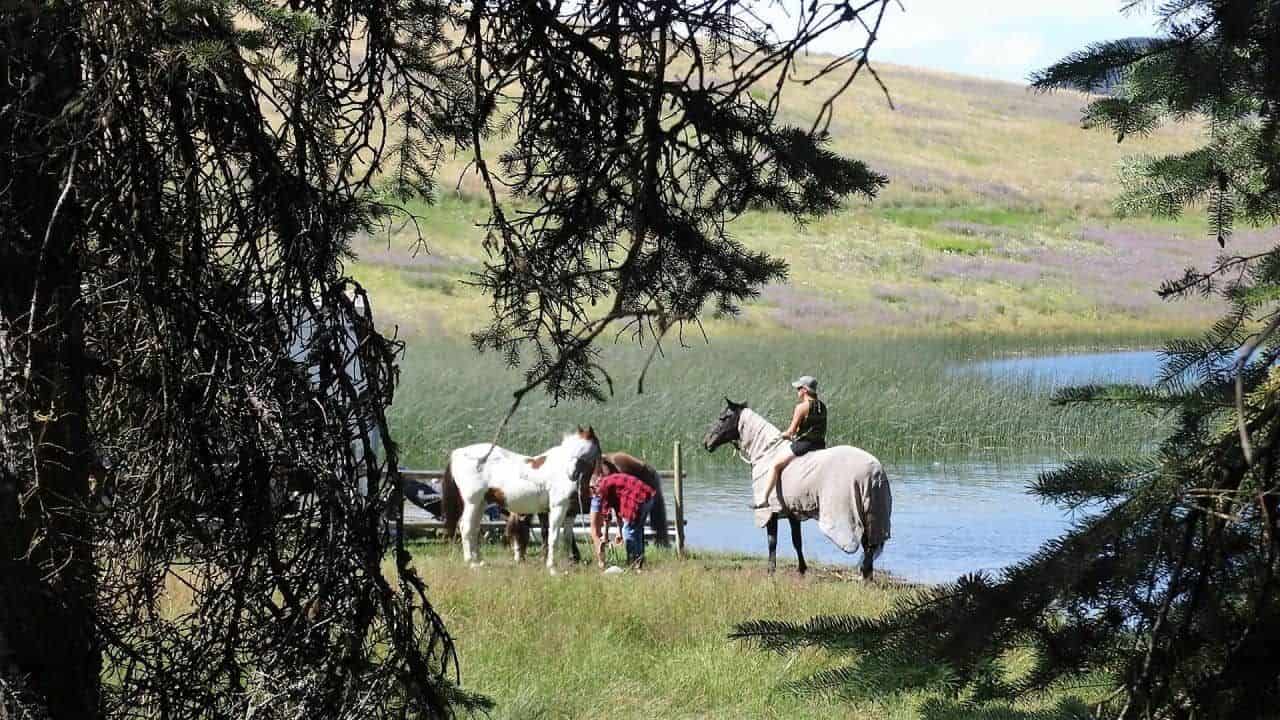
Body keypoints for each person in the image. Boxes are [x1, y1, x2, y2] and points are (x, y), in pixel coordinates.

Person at [753, 375, 827, 511]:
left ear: (804, 390)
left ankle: (763, 499)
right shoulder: (822, 406)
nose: (797, 391)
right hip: (820, 445)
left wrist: (783, 435)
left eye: (799, 388)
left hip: (804, 446)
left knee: (775, 465)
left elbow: (791, 432)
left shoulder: (801, 407)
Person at [589, 467, 657, 570]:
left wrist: (605, 536)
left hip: (637, 499)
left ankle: (632, 562)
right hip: (648, 496)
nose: (595, 496)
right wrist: (617, 531)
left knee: (628, 530)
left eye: (594, 493)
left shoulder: (602, 487)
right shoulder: (611, 481)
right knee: (638, 529)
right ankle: (639, 562)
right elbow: (617, 509)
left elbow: (606, 512)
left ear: (594, 487)